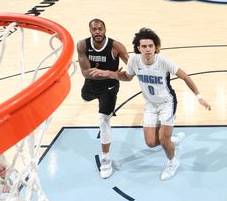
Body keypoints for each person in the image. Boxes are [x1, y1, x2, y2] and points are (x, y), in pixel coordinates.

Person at [90, 27, 211, 181]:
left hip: (167, 103)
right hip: (150, 105)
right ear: (138, 48)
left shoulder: (163, 61)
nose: (147, 49)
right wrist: (109, 74)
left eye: (150, 46)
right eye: (144, 46)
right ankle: (172, 140)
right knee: (151, 143)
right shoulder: (134, 60)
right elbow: (127, 77)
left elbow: (185, 76)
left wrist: (199, 97)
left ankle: (173, 162)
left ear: (156, 47)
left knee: (163, 140)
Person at [76, 19, 129, 179]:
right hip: (91, 85)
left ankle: (105, 160)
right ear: (90, 31)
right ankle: (91, 97)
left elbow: (132, 70)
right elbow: (85, 72)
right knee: (84, 97)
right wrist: (107, 72)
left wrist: (113, 75)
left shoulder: (116, 46)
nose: (97, 32)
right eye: (94, 29)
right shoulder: (82, 45)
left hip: (110, 87)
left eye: (100, 29)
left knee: (103, 120)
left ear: (105, 29)